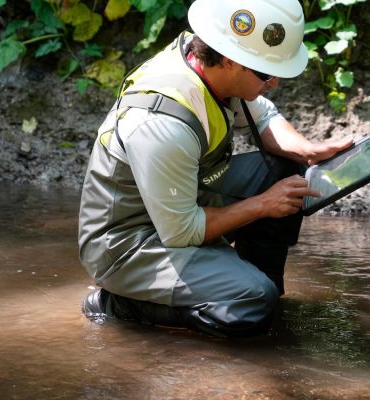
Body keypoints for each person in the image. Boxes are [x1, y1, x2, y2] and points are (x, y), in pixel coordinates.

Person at [78, 0, 353, 337]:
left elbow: (263, 115)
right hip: (129, 244)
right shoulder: (163, 124)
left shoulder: (204, 64)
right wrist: (263, 204)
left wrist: (307, 151)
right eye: (267, 73)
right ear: (229, 60)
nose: (274, 83)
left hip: (179, 202)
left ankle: (255, 286)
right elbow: (181, 231)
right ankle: (117, 304)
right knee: (251, 302)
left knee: (286, 169)